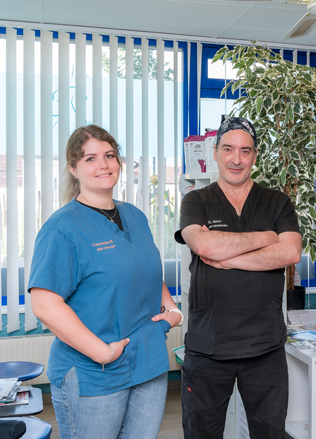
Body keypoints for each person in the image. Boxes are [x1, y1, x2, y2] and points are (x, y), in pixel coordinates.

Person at [28, 125, 182, 439]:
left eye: (109, 155)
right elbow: (44, 304)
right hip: (94, 372)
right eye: (90, 158)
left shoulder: (135, 216)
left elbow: (145, 270)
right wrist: (101, 352)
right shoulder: (62, 228)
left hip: (148, 361)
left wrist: (172, 307)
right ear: (73, 168)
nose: (104, 165)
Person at [175, 116, 302, 439]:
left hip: (265, 348)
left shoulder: (277, 201)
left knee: (269, 433)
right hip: (208, 348)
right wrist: (267, 237)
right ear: (215, 152)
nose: (236, 159)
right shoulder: (196, 201)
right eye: (228, 149)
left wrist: (228, 256)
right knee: (201, 434)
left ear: (254, 156)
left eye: (245, 151)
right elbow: (203, 244)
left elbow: (290, 253)